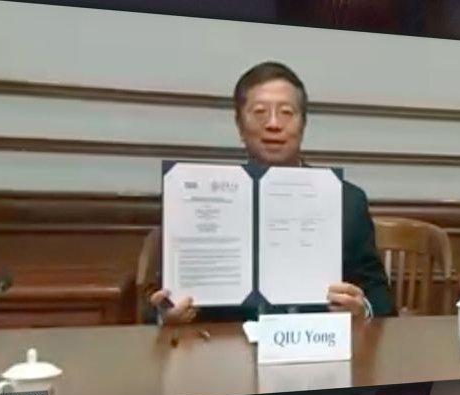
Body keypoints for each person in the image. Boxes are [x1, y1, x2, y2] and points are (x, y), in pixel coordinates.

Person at [151, 61, 394, 323]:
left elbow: (381, 299)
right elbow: (157, 304)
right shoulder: (197, 200)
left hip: (317, 347)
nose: (274, 124)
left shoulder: (347, 200)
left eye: (287, 112)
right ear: (239, 126)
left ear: (303, 125)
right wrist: (167, 315)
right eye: (259, 112)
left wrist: (362, 309)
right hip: (226, 351)